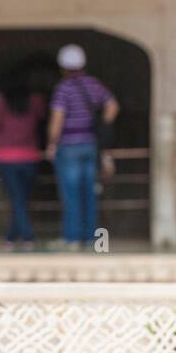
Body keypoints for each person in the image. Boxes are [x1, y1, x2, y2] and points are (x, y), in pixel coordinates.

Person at [45, 44, 119, 250]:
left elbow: (57, 119)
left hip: (68, 147)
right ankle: (90, 238)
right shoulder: (93, 85)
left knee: (71, 194)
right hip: (90, 145)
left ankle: (72, 239)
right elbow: (113, 105)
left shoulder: (63, 89)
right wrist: (102, 125)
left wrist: (52, 142)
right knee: (89, 193)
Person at [0, 76, 46, 250]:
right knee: (22, 199)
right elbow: (42, 117)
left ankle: (27, 237)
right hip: (30, 157)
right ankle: (11, 237)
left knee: (17, 199)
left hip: (7, 158)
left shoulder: (2, 102)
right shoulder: (35, 102)